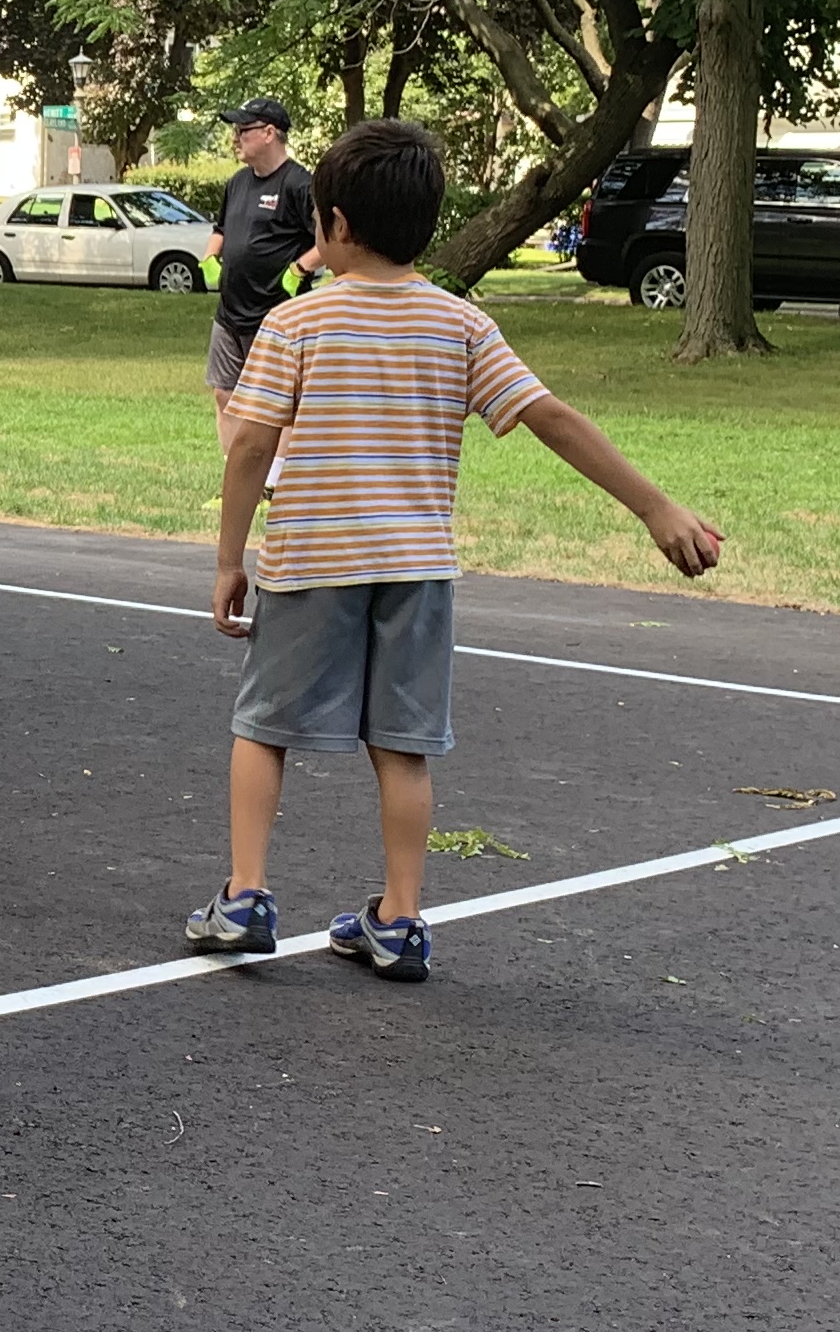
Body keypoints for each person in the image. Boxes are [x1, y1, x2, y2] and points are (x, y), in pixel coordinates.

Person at [185, 119, 722, 976]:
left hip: (313, 560)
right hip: (417, 568)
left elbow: (249, 444)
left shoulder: (299, 322)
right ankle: (398, 919)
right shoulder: (459, 324)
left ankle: (245, 895)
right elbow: (550, 416)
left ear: (335, 226)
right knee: (403, 742)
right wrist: (656, 508)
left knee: (264, 727)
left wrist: (227, 559)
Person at [207, 98, 320, 409]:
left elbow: (331, 241)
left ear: (269, 133)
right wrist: (209, 259)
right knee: (224, 393)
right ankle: (233, 459)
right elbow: (220, 230)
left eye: (243, 130)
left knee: (277, 402)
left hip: (275, 313)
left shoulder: (299, 184)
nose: (235, 138)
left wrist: (300, 268)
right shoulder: (237, 182)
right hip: (229, 311)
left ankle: (279, 461)